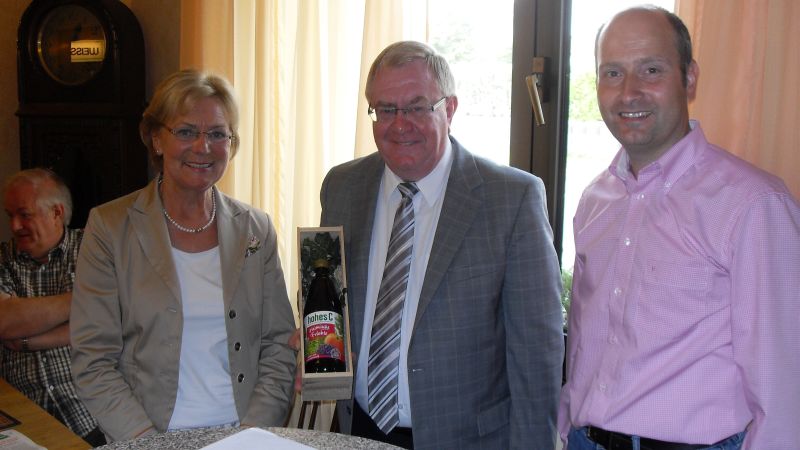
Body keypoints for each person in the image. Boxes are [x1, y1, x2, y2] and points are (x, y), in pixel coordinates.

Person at [559, 6, 800, 450]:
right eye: (612, 73)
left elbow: (784, 388)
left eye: (650, 69)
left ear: (689, 78)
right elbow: (587, 339)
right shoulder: (596, 200)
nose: (628, 92)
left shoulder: (754, 204)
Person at [320, 41, 564, 449]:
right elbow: (330, 298)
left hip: (466, 440)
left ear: (449, 109)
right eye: (386, 109)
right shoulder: (342, 187)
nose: (400, 124)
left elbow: (537, 356)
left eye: (417, 107)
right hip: (357, 430)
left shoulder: (511, 198)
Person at [69, 69, 297, 442]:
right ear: (157, 139)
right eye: (187, 131)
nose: (203, 147)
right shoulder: (109, 227)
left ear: (232, 143)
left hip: (242, 433)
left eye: (218, 134)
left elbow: (278, 345)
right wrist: (147, 442)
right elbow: (93, 360)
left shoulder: (256, 228)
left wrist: (252, 434)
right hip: (148, 435)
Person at [0, 168, 105, 447]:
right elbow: (4, 321)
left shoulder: (93, 248)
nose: (14, 226)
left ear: (56, 213)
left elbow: (115, 320)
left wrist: (26, 340)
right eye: (10, 215)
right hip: (25, 419)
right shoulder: (3, 260)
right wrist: (82, 299)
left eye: (24, 214)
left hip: (93, 413)